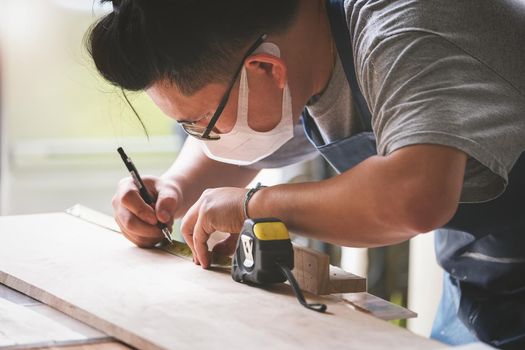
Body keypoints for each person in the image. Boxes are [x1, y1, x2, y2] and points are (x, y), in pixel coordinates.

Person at [87, 0, 525, 348]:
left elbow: (415, 195)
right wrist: (174, 188)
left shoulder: (405, 32)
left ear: (265, 68)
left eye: (203, 122)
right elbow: (261, 130)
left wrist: (252, 206)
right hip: (487, 279)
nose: (203, 138)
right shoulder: (308, 50)